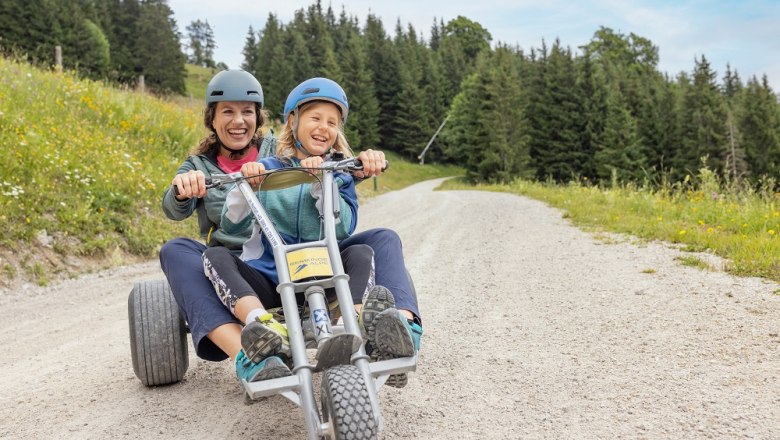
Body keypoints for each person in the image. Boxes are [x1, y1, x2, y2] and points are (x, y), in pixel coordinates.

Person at [202, 78, 422, 386]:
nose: (324, 127)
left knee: (363, 250)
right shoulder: (266, 168)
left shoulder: (340, 172)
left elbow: (343, 226)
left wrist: (322, 181)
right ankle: (262, 327)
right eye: (315, 118)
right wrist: (245, 185)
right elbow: (233, 225)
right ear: (293, 121)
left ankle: (365, 329)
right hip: (271, 280)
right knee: (215, 256)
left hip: (327, 274)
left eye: (332, 122)